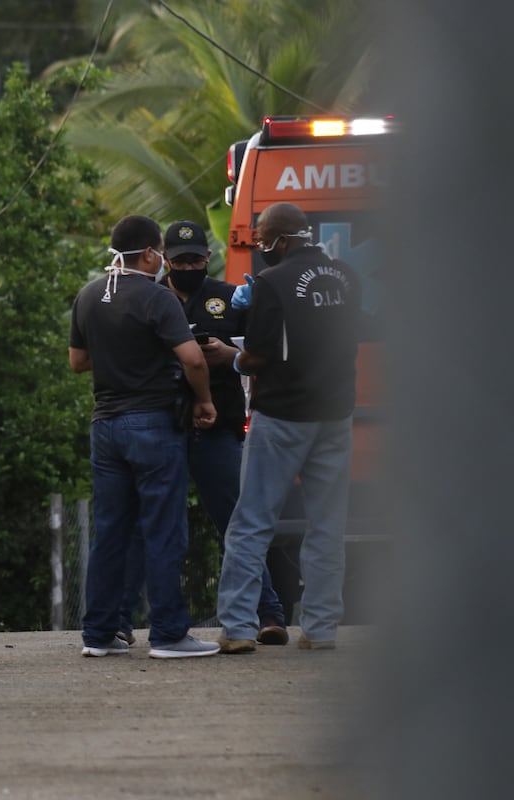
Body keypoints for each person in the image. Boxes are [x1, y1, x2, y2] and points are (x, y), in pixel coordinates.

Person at [116, 221, 289, 646]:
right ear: (164, 260)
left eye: (196, 259)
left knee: (236, 522)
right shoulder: (149, 298)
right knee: (144, 523)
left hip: (220, 427)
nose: (189, 266)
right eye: (180, 260)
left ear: (206, 258)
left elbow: (266, 349)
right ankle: (119, 618)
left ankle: (268, 613)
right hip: (164, 426)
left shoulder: (230, 297)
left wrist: (231, 354)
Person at [69, 214, 221, 659]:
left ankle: (98, 634)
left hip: (105, 426)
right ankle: (170, 634)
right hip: (152, 423)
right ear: (151, 253)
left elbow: (78, 362)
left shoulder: (89, 295)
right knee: (163, 529)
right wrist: (205, 401)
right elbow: (193, 359)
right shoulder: (157, 297)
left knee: (111, 530)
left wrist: (119, 355)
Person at [216, 202, 359, 653]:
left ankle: (238, 628)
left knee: (251, 523)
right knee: (327, 526)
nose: (260, 245)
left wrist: (228, 357)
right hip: (336, 414)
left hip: (282, 417)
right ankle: (320, 630)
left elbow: (258, 355)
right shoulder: (347, 278)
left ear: (279, 238)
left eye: (262, 238)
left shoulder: (272, 283)